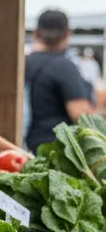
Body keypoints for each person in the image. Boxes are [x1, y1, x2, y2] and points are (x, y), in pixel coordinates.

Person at [25, 10, 94, 151]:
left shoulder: (23, 63)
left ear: (36, 33)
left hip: (23, 147)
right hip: (53, 152)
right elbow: (80, 115)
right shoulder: (64, 66)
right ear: (67, 33)